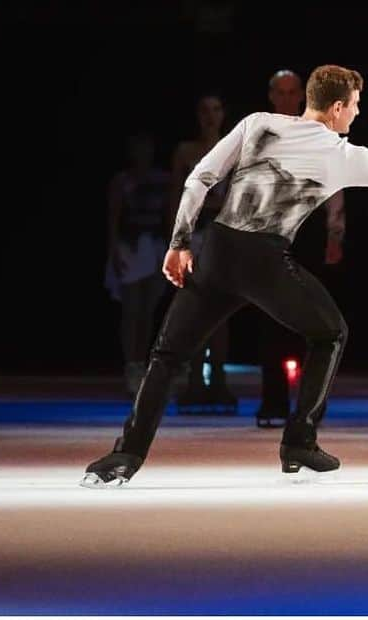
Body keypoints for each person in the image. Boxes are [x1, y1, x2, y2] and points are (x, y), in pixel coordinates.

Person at [82, 65, 368, 487]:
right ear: (339, 107)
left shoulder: (258, 124)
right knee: (332, 334)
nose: (358, 114)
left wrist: (179, 243)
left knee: (166, 355)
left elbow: (200, 178)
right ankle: (299, 442)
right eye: (357, 106)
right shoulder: (344, 155)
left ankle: (125, 455)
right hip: (264, 261)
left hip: (217, 252)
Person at [255, 68, 347, 428]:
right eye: (280, 91)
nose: (287, 98)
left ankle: (308, 409)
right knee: (269, 319)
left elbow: (334, 183)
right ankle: (273, 401)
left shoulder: (316, 133)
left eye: (293, 91)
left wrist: (335, 232)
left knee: (313, 319)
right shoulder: (262, 133)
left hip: (307, 231)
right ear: (271, 95)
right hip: (268, 231)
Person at [169, 93, 237, 412]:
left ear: (223, 113)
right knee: (193, 307)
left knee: (220, 310)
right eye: (204, 110)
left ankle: (219, 379)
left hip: (221, 235)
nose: (210, 116)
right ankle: (195, 378)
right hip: (193, 235)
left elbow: (238, 200)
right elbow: (176, 198)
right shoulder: (186, 151)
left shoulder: (234, 148)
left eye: (216, 109)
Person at [104, 133, 171, 397]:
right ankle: (131, 365)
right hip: (130, 249)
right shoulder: (122, 181)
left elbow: (167, 215)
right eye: (138, 148)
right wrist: (113, 253)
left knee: (148, 311)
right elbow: (113, 217)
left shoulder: (162, 180)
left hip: (154, 247)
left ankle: (143, 364)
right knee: (131, 310)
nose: (143, 152)